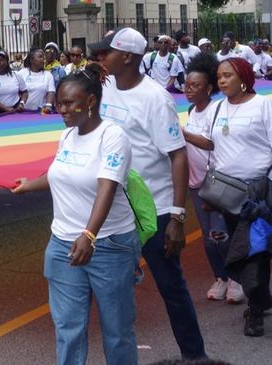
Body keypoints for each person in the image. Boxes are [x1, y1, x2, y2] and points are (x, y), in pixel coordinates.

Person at [88, 28, 207, 361]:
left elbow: (178, 154)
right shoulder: (105, 86)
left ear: (126, 56)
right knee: (113, 290)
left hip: (153, 212)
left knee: (171, 287)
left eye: (105, 52)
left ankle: (195, 356)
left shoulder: (156, 98)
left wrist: (177, 217)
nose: (100, 58)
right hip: (114, 210)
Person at [13, 63, 140, 365]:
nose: (62, 109)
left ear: (91, 102)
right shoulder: (67, 136)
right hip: (62, 247)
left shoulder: (113, 136)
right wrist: (30, 185)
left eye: (69, 103)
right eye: (59, 103)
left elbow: (106, 187)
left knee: (117, 330)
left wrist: (89, 235)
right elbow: (60, 173)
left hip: (109, 245)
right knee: (68, 328)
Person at [208, 58, 272, 336]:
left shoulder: (264, 106)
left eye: (228, 76)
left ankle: (255, 310)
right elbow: (214, 146)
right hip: (227, 195)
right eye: (219, 76)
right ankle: (261, 298)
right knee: (238, 252)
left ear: (244, 76)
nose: (222, 81)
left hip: (257, 193)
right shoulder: (218, 107)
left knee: (254, 251)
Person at [180, 53, 245, 304]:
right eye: (187, 85)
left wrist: (181, 133)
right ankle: (221, 277)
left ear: (209, 88)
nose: (189, 90)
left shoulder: (217, 110)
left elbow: (211, 143)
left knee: (220, 234)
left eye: (196, 86)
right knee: (208, 238)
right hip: (196, 184)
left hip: (217, 183)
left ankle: (237, 279)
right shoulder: (191, 110)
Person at [0, 50, 27, 116]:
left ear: (7, 61)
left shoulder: (16, 75)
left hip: (16, 111)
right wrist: (5, 108)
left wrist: (22, 103)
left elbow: (24, 92)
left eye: (2, 60)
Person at [21, 48, 56, 112]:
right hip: (24, 112)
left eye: (43, 57)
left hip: (41, 112)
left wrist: (48, 105)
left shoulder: (48, 75)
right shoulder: (22, 73)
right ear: (31, 60)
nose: (43, 59)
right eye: (40, 57)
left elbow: (51, 91)